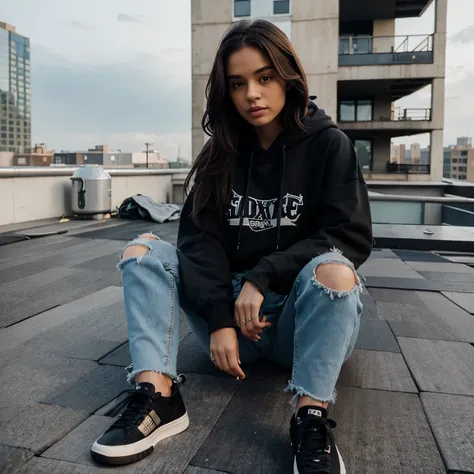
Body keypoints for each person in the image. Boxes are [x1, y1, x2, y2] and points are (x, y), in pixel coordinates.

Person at [90, 19, 372, 474]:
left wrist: (262, 276)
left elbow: (348, 235)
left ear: (288, 77)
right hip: (234, 334)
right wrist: (220, 317)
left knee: (336, 271)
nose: (252, 95)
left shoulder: (329, 146)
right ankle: (158, 396)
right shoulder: (219, 154)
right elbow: (200, 242)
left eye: (264, 78)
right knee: (143, 252)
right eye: (238, 84)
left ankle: (310, 416)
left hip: (304, 326)